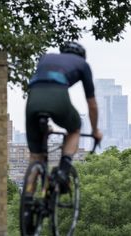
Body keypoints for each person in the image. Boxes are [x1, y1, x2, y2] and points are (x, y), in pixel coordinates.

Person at [25, 41, 102, 191]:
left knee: (35, 157)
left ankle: (27, 202)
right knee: (75, 129)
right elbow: (92, 104)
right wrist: (95, 131)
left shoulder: (46, 57)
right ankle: (63, 171)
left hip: (33, 99)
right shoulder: (82, 64)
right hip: (58, 96)